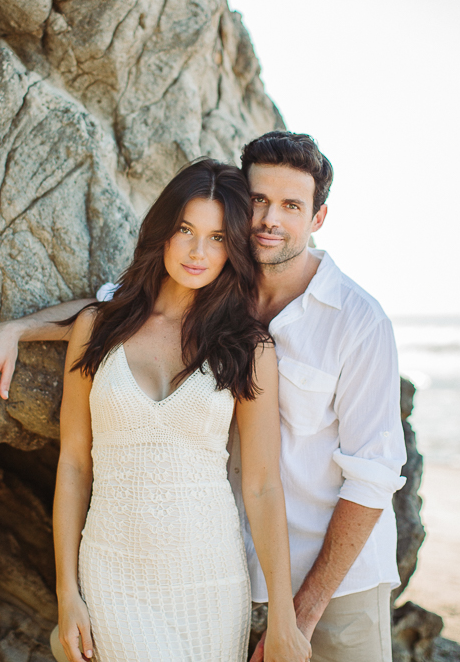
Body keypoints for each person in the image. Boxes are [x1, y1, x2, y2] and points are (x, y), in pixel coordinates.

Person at [0, 132, 407, 662]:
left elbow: (369, 472)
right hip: (206, 566)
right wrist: (14, 329)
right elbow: (110, 314)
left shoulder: (352, 323)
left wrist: (300, 616)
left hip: (328, 576)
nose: (270, 218)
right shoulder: (218, 295)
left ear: (317, 218)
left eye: (291, 205)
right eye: (260, 201)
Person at [50, 158, 309, 662]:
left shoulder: (248, 347)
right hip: (111, 573)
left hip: (208, 582)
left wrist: (283, 617)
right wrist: (68, 592)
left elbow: (261, 484)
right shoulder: (97, 327)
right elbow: (74, 464)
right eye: (186, 230)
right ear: (162, 232)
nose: (197, 251)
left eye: (216, 238)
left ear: (233, 248)